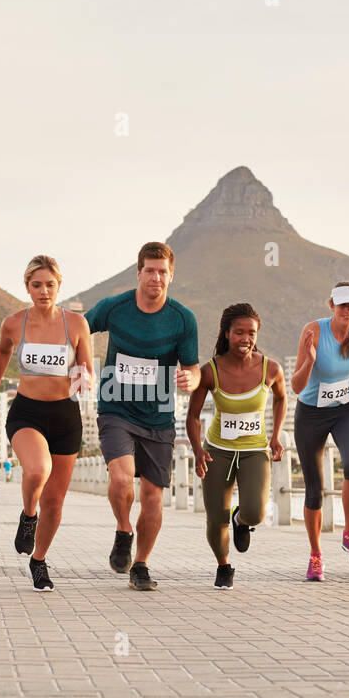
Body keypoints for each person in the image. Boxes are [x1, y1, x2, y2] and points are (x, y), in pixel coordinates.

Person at [86, 242, 199, 591]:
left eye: (163, 271)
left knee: (152, 496)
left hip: (159, 416)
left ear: (171, 275)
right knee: (122, 479)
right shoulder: (114, 308)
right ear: (138, 272)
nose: (156, 277)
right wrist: (78, 366)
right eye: (150, 270)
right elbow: (76, 330)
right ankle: (124, 529)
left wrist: (188, 380)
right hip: (115, 407)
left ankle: (141, 564)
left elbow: (193, 371)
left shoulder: (183, 319)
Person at [0, 255, 93, 591]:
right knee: (37, 471)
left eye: (50, 285)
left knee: (55, 501)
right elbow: (1, 353)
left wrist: (84, 378)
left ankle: (39, 560)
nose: (44, 291)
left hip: (65, 416)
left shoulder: (76, 324)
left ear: (59, 286)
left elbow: (86, 367)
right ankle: (29, 515)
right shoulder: (14, 323)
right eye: (36, 285)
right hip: (27, 412)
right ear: (27, 287)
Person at [186, 303, 286, 590]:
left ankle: (241, 521)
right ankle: (223, 565)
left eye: (251, 333)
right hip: (217, 449)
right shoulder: (210, 370)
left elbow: (281, 398)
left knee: (256, 511)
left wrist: (276, 435)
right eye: (239, 332)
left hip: (255, 450)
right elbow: (192, 415)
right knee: (216, 516)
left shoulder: (271, 368)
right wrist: (197, 450)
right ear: (226, 333)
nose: (246, 338)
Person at [291, 281, 349, 581]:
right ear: (332, 305)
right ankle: (315, 556)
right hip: (310, 413)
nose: (348, 310)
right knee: (314, 489)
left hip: (345, 408)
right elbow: (296, 386)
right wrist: (310, 362)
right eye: (343, 305)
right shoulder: (313, 331)